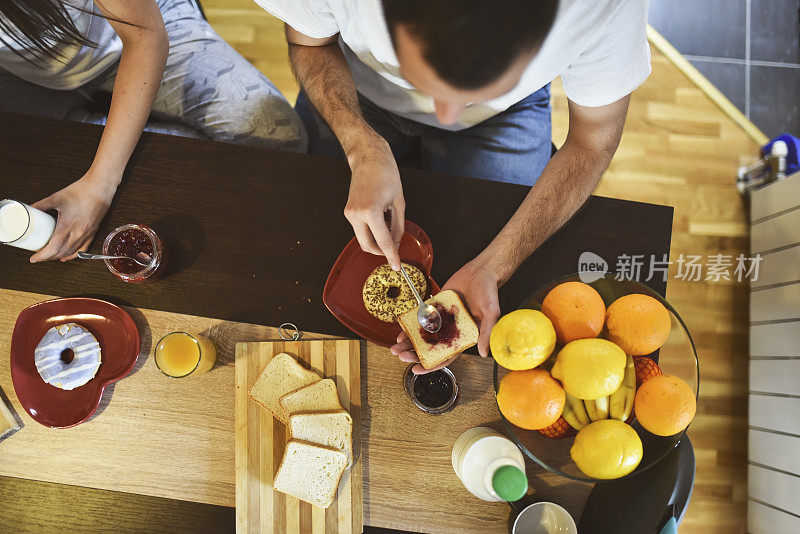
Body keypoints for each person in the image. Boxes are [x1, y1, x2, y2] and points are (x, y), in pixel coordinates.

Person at [254, 0, 650, 372]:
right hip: (358, 88)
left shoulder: (601, 8)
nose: (445, 115)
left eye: (472, 89)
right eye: (418, 74)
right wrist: (360, 143)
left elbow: (593, 142)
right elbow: (308, 42)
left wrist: (493, 269)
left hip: (504, 114)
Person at [0, 0, 307, 263]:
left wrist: (100, 185)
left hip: (139, 32)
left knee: (275, 136)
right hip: (25, 81)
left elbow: (144, 35)